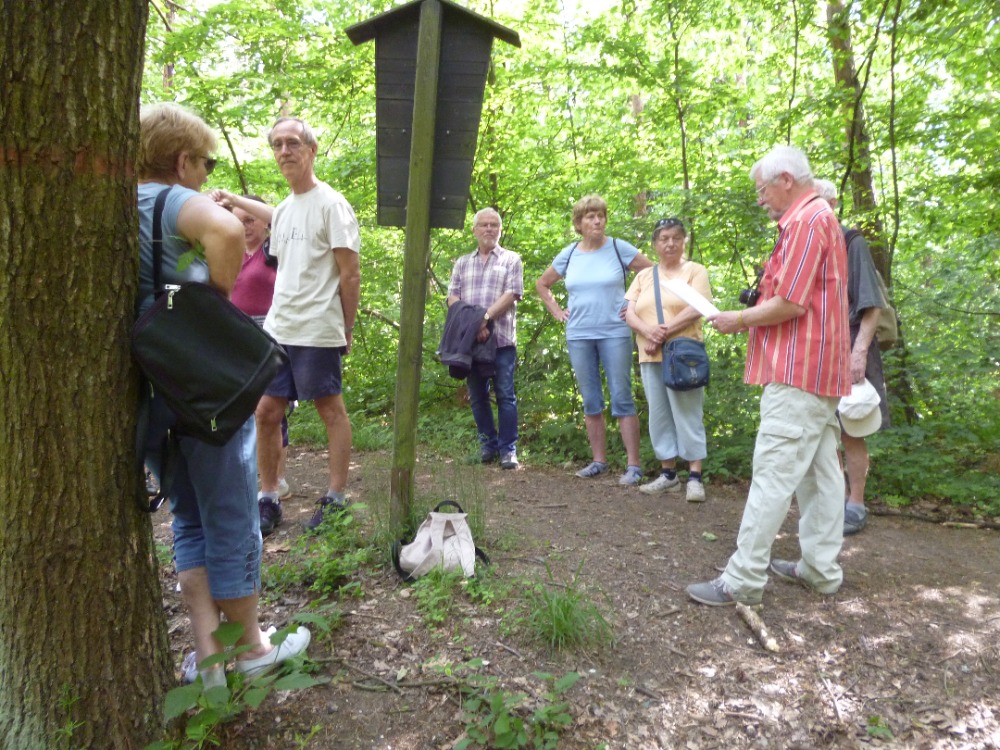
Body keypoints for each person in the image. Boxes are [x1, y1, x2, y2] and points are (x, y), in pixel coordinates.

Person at [137, 103, 310, 684]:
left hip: (151, 389)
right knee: (232, 513)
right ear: (182, 160)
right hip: (201, 382)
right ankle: (255, 650)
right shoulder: (167, 198)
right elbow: (229, 230)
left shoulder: (122, 203)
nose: (208, 174)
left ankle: (210, 659)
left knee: (188, 516)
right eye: (206, 163)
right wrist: (212, 296)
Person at [686, 145, 850, 606]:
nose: (760, 199)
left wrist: (738, 318)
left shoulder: (806, 221)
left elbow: (792, 303)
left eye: (762, 190)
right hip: (819, 370)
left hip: (799, 370)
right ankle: (820, 569)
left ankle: (742, 580)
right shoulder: (817, 218)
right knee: (820, 476)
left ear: (784, 179)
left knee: (773, 474)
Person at [257, 116, 361, 531]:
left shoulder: (332, 204)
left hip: (317, 327)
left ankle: (335, 497)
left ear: (311, 150)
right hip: (279, 328)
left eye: (293, 143)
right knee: (266, 412)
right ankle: (268, 497)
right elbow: (287, 270)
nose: (285, 151)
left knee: (330, 410)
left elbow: (349, 273)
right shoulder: (282, 209)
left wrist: (346, 328)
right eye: (278, 144)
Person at [536, 194, 653, 485]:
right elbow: (542, 283)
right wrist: (556, 311)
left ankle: (634, 466)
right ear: (579, 223)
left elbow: (652, 272)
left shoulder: (618, 248)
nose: (597, 220)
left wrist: (634, 305)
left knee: (622, 397)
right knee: (590, 399)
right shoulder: (570, 253)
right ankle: (599, 461)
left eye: (600, 215)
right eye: (590, 216)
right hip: (578, 334)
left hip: (614, 331)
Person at [209, 190, 291, 536]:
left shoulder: (275, 251)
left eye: (250, 220)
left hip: (270, 337)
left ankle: (272, 484)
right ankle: (258, 478)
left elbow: (280, 216)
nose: (245, 227)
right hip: (235, 339)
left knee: (268, 412)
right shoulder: (228, 252)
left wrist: (238, 201)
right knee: (244, 411)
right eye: (239, 221)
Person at [814, 178, 891, 536]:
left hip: (850, 346)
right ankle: (834, 501)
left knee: (852, 428)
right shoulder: (809, 245)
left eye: (820, 203)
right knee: (823, 430)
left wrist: (858, 352)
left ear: (832, 204)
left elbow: (872, 304)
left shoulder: (851, 241)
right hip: (818, 350)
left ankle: (856, 503)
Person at [624, 218, 710, 502]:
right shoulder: (644, 276)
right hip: (650, 355)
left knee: (688, 412)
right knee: (659, 414)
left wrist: (661, 333)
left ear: (683, 240)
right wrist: (648, 331)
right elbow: (629, 312)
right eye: (664, 238)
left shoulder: (694, 271)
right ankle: (668, 474)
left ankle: (695, 476)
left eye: (675, 237)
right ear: (655, 244)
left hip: (684, 355)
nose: (670, 243)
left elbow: (698, 306)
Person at [446, 208, 524, 469]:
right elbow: (452, 298)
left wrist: (485, 318)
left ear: (500, 230)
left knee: (505, 395)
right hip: (471, 342)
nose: (489, 229)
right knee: (478, 396)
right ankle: (487, 446)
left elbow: (512, 293)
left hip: (501, 340)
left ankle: (508, 450)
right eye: (484, 225)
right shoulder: (462, 263)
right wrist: (475, 323)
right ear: (474, 230)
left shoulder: (512, 260)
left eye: (494, 225)